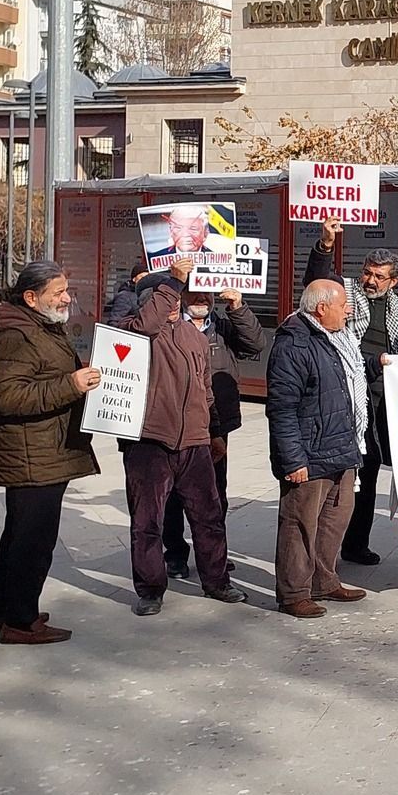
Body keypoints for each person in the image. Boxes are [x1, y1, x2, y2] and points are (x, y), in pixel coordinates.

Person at [0, 261, 100, 646]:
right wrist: (72, 384)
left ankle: (6, 608)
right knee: (33, 540)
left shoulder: (40, 326)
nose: (67, 298)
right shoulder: (13, 335)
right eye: (58, 292)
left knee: (20, 535)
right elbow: (9, 397)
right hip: (31, 453)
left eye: (66, 290)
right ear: (31, 297)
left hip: (44, 449)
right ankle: (21, 621)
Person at [118, 256, 245, 616]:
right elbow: (147, 325)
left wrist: (214, 432)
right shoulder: (135, 331)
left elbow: (207, 390)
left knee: (209, 516)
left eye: (177, 298)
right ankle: (150, 589)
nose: (175, 305)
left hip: (194, 442)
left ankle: (217, 581)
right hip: (149, 442)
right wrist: (170, 283)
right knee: (147, 522)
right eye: (168, 298)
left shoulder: (194, 336)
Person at [305, 224, 398, 568]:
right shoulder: (345, 295)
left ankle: (356, 544)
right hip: (345, 397)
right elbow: (316, 282)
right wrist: (326, 243)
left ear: (393, 281)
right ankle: (322, 548)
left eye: (380, 277)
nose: (371, 281)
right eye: (368, 273)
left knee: (370, 474)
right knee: (342, 475)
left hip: (381, 402)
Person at [266, 279, 367, 619]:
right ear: (322, 309)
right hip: (310, 454)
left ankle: (325, 580)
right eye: (342, 305)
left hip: (340, 448)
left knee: (334, 521)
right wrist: (293, 459)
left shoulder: (334, 338)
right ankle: (294, 593)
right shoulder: (294, 344)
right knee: (300, 524)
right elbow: (281, 409)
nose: (348, 310)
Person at [159, 288, 262, 581]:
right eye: (193, 295)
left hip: (216, 424)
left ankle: (214, 553)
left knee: (216, 493)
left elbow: (256, 343)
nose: (201, 300)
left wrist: (238, 307)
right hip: (176, 423)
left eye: (206, 295)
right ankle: (176, 555)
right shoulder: (168, 327)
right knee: (173, 495)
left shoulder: (224, 325)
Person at [104, 257, 151, 327]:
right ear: (134, 279)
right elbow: (114, 322)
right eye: (142, 277)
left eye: (147, 278)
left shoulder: (150, 295)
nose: (145, 280)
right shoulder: (125, 296)